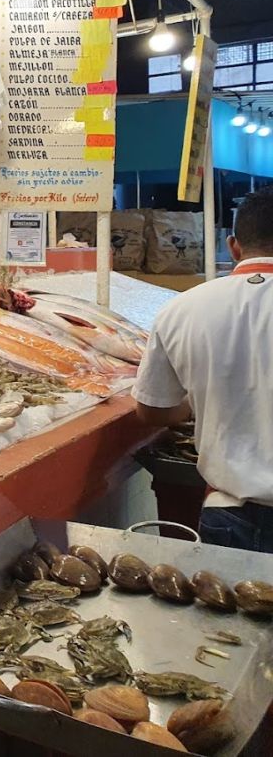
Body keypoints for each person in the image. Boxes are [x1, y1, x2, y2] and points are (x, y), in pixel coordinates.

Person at [133, 186, 273, 550]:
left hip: (231, 514)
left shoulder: (181, 309)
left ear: (233, 247)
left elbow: (151, 410)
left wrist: (196, 403)